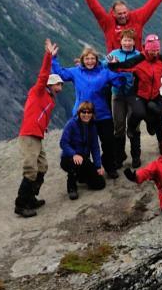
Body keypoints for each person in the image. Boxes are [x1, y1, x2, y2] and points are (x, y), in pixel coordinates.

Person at [51, 45, 120, 178]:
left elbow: (119, 82)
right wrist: (53, 58)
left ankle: (109, 166)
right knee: (82, 144)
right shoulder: (76, 72)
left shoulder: (103, 72)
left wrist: (114, 67)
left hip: (102, 114)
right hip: (82, 115)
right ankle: (83, 170)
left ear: (96, 60)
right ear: (82, 60)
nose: (90, 61)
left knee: (108, 142)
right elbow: (60, 74)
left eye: (92, 58)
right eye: (87, 59)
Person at [106, 33, 162, 166]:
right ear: (147, 49)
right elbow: (125, 65)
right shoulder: (139, 58)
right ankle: (126, 140)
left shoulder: (161, 59)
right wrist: (113, 65)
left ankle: (161, 149)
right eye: (152, 50)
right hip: (136, 95)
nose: (155, 52)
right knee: (134, 117)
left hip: (154, 95)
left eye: (157, 50)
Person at [15, 39, 64, 218]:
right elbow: (43, 75)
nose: (61, 86)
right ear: (50, 85)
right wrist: (48, 56)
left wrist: (43, 128)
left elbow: (40, 115)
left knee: (42, 166)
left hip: (37, 135)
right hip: (29, 135)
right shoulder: (39, 91)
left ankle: (31, 197)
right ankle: (21, 205)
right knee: (31, 168)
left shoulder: (50, 99)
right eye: (59, 84)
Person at [106, 28, 141, 171]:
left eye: (130, 40)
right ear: (121, 41)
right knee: (118, 126)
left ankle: (136, 156)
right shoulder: (113, 54)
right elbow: (103, 66)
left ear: (134, 41)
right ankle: (119, 156)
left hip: (133, 94)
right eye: (125, 40)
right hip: (118, 95)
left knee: (134, 125)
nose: (127, 43)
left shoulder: (139, 55)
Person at [59, 102, 106, 200]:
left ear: (92, 114)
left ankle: (81, 176)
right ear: (79, 112)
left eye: (89, 112)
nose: (86, 114)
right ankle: (72, 187)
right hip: (68, 158)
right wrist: (74, 154)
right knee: (75, 163)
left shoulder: (92, 126)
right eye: (83, 112)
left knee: (100, 184)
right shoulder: (71, 124)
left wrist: (98, 166)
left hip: (83, 159)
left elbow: (95, 147)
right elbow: (63, 143)